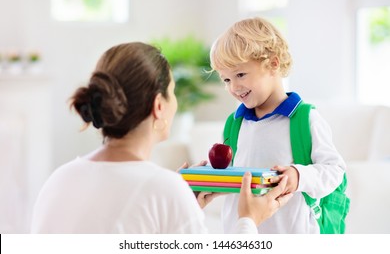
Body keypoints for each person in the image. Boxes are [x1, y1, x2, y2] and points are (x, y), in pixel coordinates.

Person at [30, 42, 292, 234]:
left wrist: (180, 209)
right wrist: (248, 220)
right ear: (159, 106)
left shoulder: (59, 179)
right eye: (172, 92)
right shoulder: (165, 189)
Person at [209, 17, 347, 234]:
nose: (233, 87)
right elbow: (237, 179)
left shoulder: (304, 119)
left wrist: (298, 176)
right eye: (226, 80)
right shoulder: (234, 123)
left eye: (240, 74)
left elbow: (334, 171)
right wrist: (208, 180)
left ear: (273, 64)